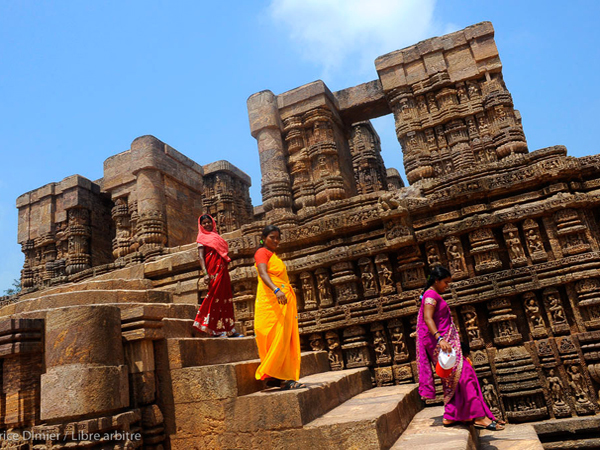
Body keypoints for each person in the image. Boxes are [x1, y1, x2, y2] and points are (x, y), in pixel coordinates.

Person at [416, 266, 504, 431]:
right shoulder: (430, 295)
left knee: (454, 378)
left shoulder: (432, 295)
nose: (447, 286)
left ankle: (451, 415)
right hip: (441, 342)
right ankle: (478, 417)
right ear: (436, 280)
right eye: (446, 282)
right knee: (465, 375)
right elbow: (428, 318)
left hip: (446, 341)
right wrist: (439, 338)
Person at [253, 225, 305, 390]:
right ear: (264, 238)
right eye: (272, 237)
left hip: (281, 303)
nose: (276, 241)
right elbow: (263, 273)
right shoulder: (262, 252)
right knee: (271, 336)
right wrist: (276, 290)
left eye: (278, 238)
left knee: (283, 339)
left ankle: (280, 377)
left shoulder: (274, 256)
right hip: (270, 302)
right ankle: (279, 375)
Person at [193, 214, 241, 337]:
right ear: (201, 225)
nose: (207, 224)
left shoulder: (216, 237)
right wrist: (205, 273)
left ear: (213, 223)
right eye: (204, 223)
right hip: (212, 271)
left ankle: (229, 330)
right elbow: (201, 257)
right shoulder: (201, 238)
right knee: (214, 297)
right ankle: (209, 327)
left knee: (226, 297)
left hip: (223, 270)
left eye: (209, 222)